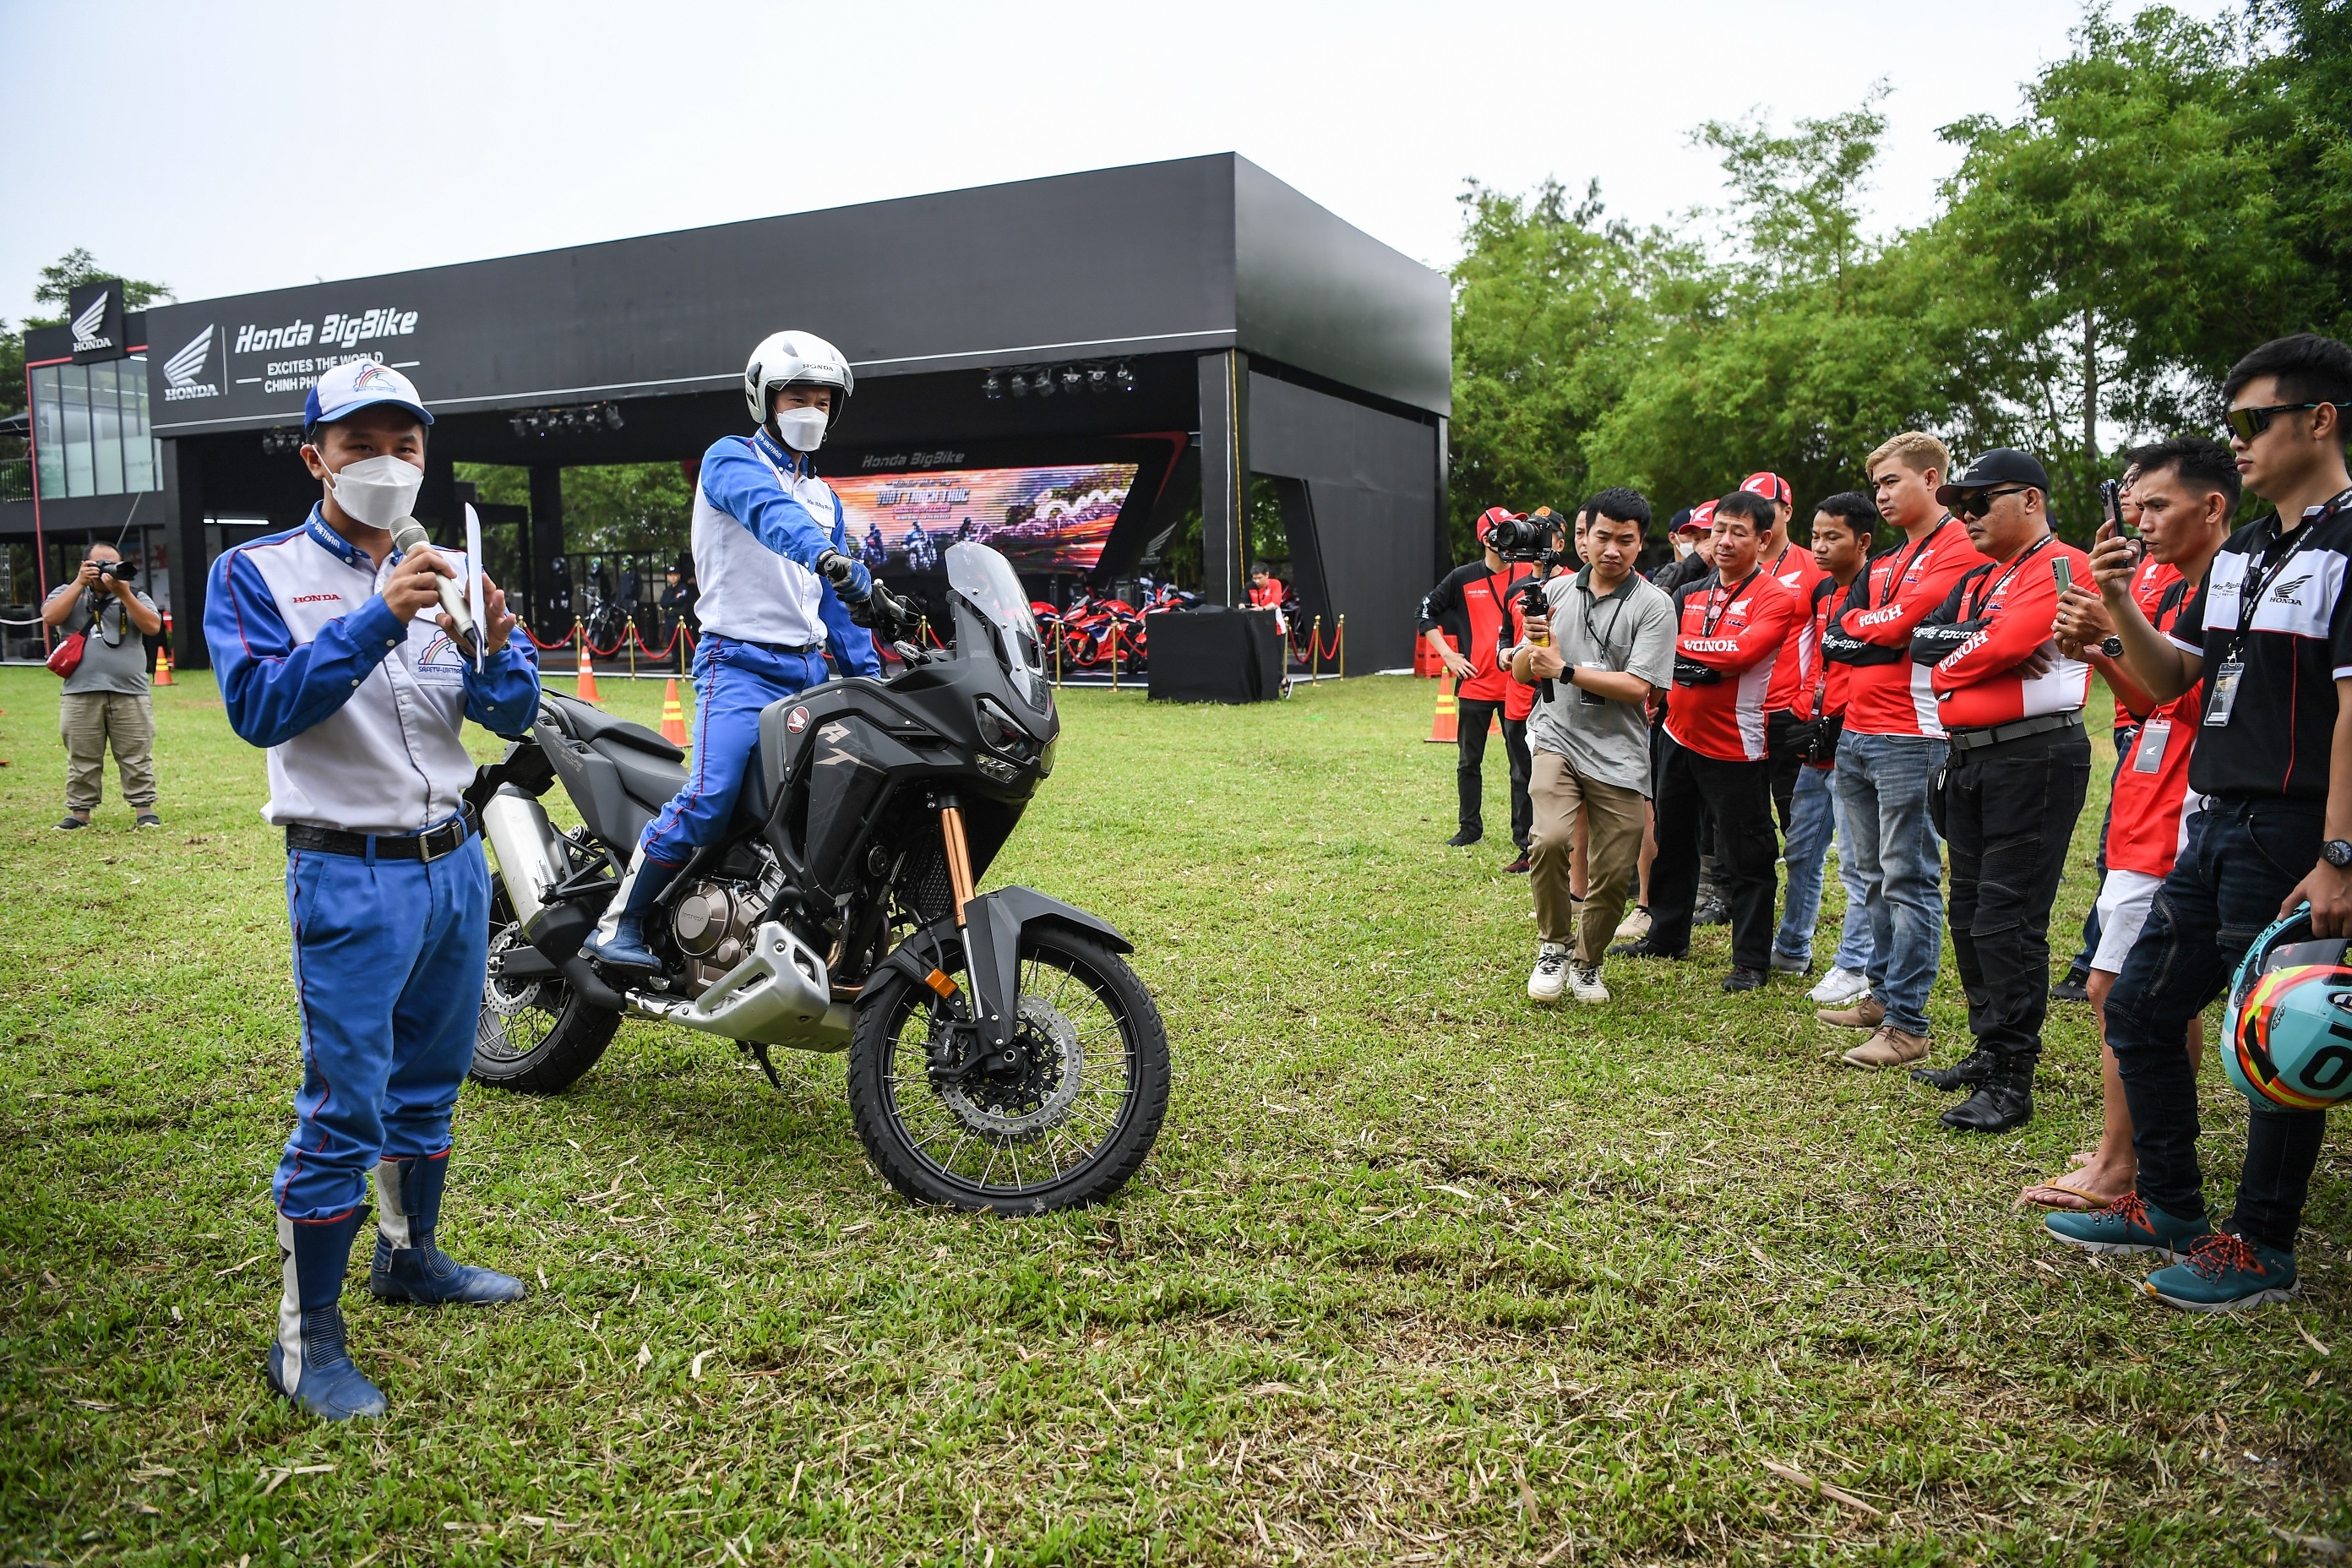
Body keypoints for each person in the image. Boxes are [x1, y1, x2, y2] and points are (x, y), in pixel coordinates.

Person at [203, 361, 543, 1419]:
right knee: (344, 1106)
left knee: (429, 1086)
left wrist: (489, 633)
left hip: (453, 867)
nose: (387, 463)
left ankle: (412, 1256)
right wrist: (379, 620)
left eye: (406, 443)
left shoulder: (447, 569)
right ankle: (307, 1344)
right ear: (316, 457)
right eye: (361, 443)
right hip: (346, 874)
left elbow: (513, 707)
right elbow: (260, 706)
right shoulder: (254, 573)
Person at [2045, 334, 2352, 1310]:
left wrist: (2341, 854)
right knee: (2138, 1004)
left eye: (2254, 422)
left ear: (2320, 419)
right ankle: (2169, 1203)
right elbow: (2181, 678)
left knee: (2279, 1042)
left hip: (2297, 831)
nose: (2241, 442)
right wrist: (2117, 603)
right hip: (2213, 818)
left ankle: (2261, 1242)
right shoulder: (2252, 549)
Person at [583, 331, 885, 970]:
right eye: (796, 397)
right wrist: (828, 555)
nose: (811, 411)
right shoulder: (730, 461)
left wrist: (872, 679)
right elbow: (769, 514)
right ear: (765, 400)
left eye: (824, 401)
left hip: (810, 675)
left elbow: (837, 609)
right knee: (711, 797)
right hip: (739, 667)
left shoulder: (824, 498)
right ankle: (621, 923)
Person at [2018, 437, 2235, 1207]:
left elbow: (2180, 696)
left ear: (2213, 508)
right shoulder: (2163, 580)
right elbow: (2148, 698)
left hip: (2184, 803)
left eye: (2155, 505)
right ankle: (2133, 1141)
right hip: (2147, 799)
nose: (2139, 522)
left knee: (2124, 987)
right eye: (2134, 505)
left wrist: (2109, 634)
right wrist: (2102, 645)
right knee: (2130, 987)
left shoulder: (2226, 584)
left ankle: (2126, 1166)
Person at [1900, 450, 2093, 1130]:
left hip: (2033, 758)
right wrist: (1976, 642)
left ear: (2031, 500)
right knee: (1971, 911)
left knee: (2007, 920)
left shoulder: (2062, 565)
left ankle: (2013, 1078)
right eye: (1961, 504)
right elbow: (1921, 640)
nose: (1966, 515)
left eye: (1981, 502)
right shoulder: (1986, 576)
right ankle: (1990, 1050)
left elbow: (2007, 643)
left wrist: (1977, 647)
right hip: (1971, 760)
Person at [1818, 432, 1991, 1067]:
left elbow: (1908, 630)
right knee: (1868, 876)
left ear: (1932, 477)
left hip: (1913, 735)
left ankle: (1909, 1026)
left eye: (1892, 481)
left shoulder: (1958, 547)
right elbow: (1844, 629)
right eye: (1877, 485)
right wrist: (1878, 630)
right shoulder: (1888, 559)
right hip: (1859, 730)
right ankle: (1883, 996)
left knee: (1908, 877)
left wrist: (1878, 629)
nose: (1882, 495)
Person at [1614, 489, 1799, 990]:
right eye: (1718, 529)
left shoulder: (1776, 596)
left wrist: (1686, 655)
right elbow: (1651, 647)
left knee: (1747, 854)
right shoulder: (1691, 591)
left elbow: (1740, 654)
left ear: (1763, 540)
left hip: (1736, 745)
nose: (1723, 540)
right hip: (1676, 733)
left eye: (1738, 532)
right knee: (1673, 842)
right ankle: (1667, 936)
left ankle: (1751, 960)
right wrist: (1692, 659)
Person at [1511, 487, 1674, 1003]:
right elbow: (1521, 670)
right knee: (1550, 840)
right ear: (1585, 537)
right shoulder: (1554, 593)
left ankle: (1588, 961)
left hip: (1621, 752)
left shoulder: (1654, 606)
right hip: (1558, 736)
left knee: (1614, 868)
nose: (1612, 549)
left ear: (1639, 543)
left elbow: (1638, 688)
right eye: (1602, 536)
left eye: (1625, 540)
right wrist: (1533, 646)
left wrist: (1565, 668)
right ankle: (1553, 946)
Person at [1773, 493, 1880, 999]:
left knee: (1858, 861)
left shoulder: (1878, 587)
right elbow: (1818, 661)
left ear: (1862, 541)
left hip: (1857, 738)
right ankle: (1793, 948)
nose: (1818, 546)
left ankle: (1855, 966)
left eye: (1831, 537)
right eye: (1815, 536)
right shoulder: (1822, 592)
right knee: (1801, 848)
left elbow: (1878, 665)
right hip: (1816, 736)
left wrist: (1840, 717)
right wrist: (1805, 709)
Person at [1418, 510, 1538, 860]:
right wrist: (1449, 657)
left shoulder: (1528, 574)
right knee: (1469, 761)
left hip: (1519, 688)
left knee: (1523, 766)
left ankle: (1525, 838)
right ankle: (1470, 828)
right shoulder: (1462, 578)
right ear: (1488, 539)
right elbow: (1424, 613)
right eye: (1505, 531)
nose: (1514, 537)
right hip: (1475, 687)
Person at [42, 541, 165, 830]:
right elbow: (51, 617)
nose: (107, 571)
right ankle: (80, 812)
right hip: (80, 691)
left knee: (136, 753)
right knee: (82, 754)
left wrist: (124, 594)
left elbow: (152, 626)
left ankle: (143, 809)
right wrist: (78, 583)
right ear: (85, 566)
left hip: (130, 690)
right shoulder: (68, 593)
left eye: (113, 565)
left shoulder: (134, 595)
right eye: (100, 565)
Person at [1744, 472, 1827, 836]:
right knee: (1741, 817)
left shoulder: (1813, 565)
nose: (1755, 516)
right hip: (1739, 712)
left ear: (1788, 512)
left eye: (1765, 508)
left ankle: (1800, 891)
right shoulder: (1733, 565)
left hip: (1787, 712)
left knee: (1795, 816)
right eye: (1747, 508)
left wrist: (1807, 698)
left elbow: (1828, 641)